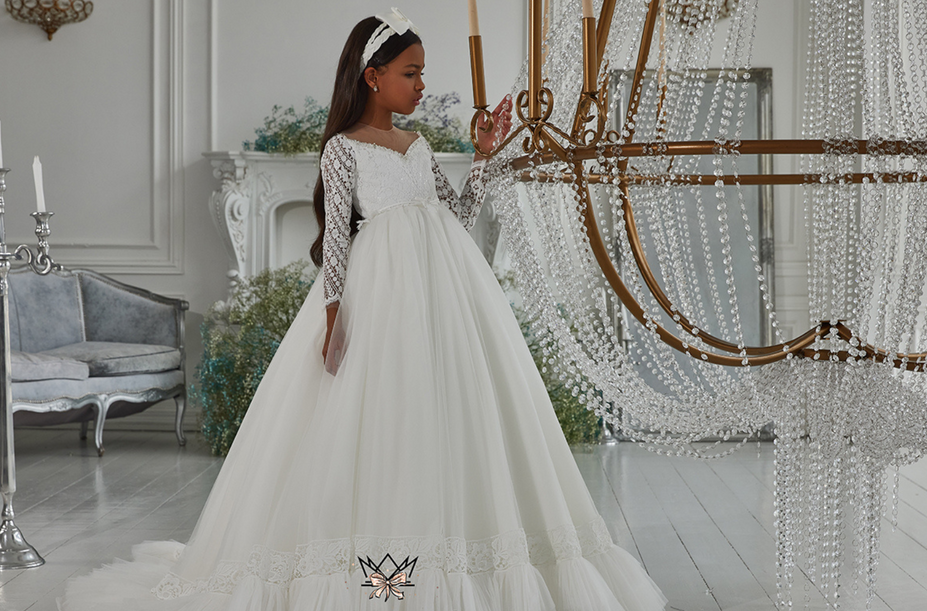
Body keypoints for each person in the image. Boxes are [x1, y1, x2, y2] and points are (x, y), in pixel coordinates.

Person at [59, 8, 667, 611]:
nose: (423, 85)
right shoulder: (343, 150)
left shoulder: (420, 144)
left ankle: (454, 560)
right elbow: (341, 241)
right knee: (383, 418)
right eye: (412, 72)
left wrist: (484, 155)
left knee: (451, 414)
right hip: (382, 298)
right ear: (372, 76)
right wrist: (331, 317)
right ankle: (385, 578)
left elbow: (454, 215)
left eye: (424, 72)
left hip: (445, 297)